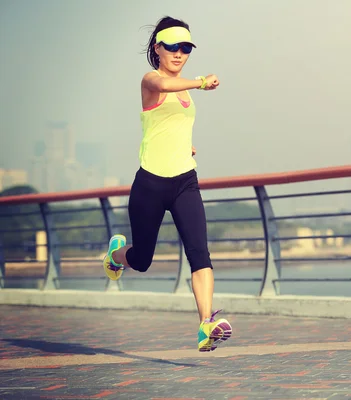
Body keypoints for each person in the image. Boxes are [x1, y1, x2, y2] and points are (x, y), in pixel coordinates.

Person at [102, 16, 232, 352]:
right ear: (157, 48)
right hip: (150, 185)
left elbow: (169, 127)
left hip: (185, 181)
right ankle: (117, 255)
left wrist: (184, 146)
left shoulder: (186, 93)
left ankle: (206, 324)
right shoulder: (151, 80)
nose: (178, 53)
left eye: (185, 47)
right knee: (142, 259)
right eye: (171, 46)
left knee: (200, 254)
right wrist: (201, 81)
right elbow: (163, 90)